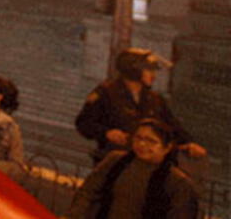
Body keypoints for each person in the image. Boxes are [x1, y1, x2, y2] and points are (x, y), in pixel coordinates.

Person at [75, 48, 205, 164]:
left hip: (146, 162)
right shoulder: (106, 93)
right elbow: (84, 123)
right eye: (148, 70)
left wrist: (189, 143)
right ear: (133, 70)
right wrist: (106, 133)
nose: (153, 75)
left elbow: (171, 125)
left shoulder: (154, 99)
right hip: (115, 162)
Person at [67, 119, 200, 219]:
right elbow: (88, 191)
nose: (142, 144)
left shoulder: (178, 182)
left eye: (151, 141)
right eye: (138, 138)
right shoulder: (116, 161)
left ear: (167, 147)